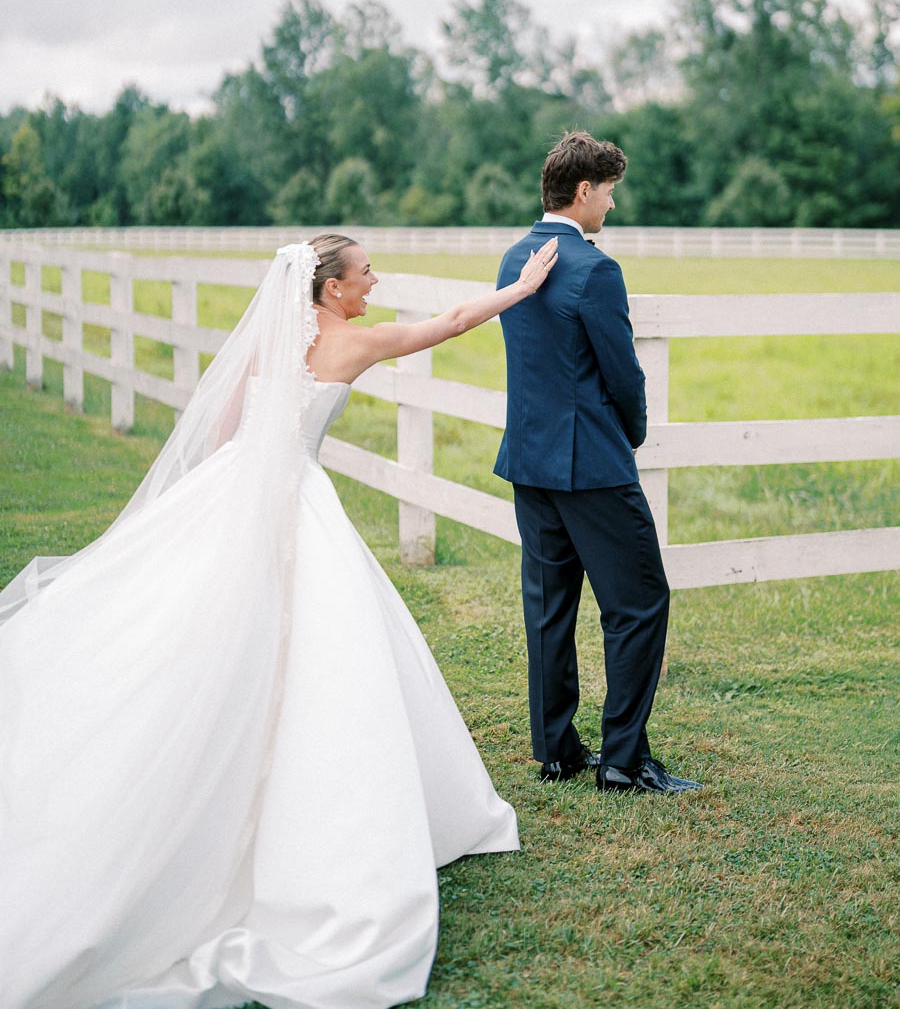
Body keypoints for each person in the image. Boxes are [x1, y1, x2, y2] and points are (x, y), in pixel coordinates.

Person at [0, 231, 557, 1009]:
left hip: (232, 494)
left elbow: (226, 432)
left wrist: (222, 510)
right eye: (365, 272)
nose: (375, 280)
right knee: (319, 654)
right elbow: (456, 321)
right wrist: (522, 290)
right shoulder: (355, 345)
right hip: (293, 500)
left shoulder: (269, 344)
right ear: (331, 289)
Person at [494, 131, 701, 795]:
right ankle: (623, 760)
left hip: (530, 459)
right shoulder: (596, 270)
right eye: (609, 192)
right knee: (638, 604)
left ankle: (557, 749)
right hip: (592, 465)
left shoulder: (513, 258)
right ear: (584, 191)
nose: (612, 206)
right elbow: (624, 375)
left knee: (550, 607)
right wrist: (632, 435)